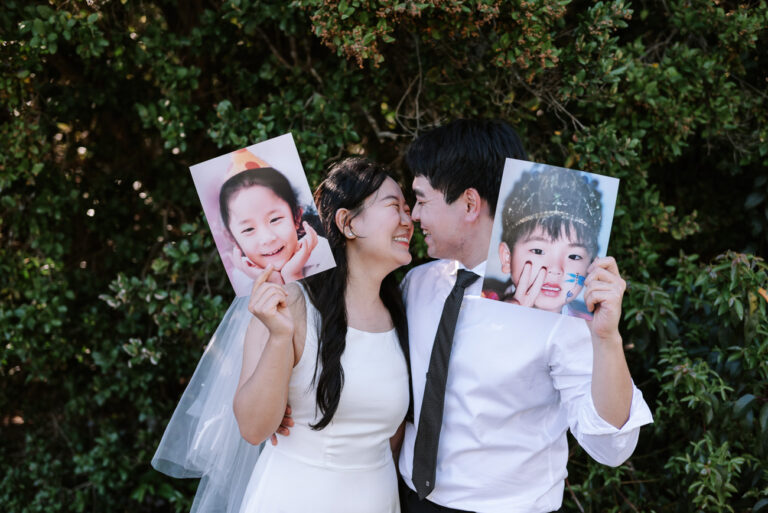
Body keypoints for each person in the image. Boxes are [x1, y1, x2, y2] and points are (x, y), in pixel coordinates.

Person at [396, 119, 653, 513]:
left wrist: (607, 339)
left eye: (423, 199)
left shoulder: (558, 307)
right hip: (407, 497)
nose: (413, 215)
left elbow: (613, 446)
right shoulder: (416, 285)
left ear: (468, 203)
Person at [152, 157, 415, 513]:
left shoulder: (404, 308)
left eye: (408, 208)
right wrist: (278, 338)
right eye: (394, 206)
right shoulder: (288, 303)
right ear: (348, 223)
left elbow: (395, 435)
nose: (408, 219)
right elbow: (254, 428)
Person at [495, 165, 603, 319]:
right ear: (507, 257)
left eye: (574, 256)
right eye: (538, 251)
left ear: (591, 266)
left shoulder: (591, 327)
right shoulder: (482, 303)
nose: (555, 269)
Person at [218, 166, 332, 286]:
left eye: (275, 219)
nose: (267, 238)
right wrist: (273, 281)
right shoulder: (242, 278)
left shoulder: (323, 254)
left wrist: (292, 276)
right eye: (248, 229)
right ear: (231, 237)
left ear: (297, 217)